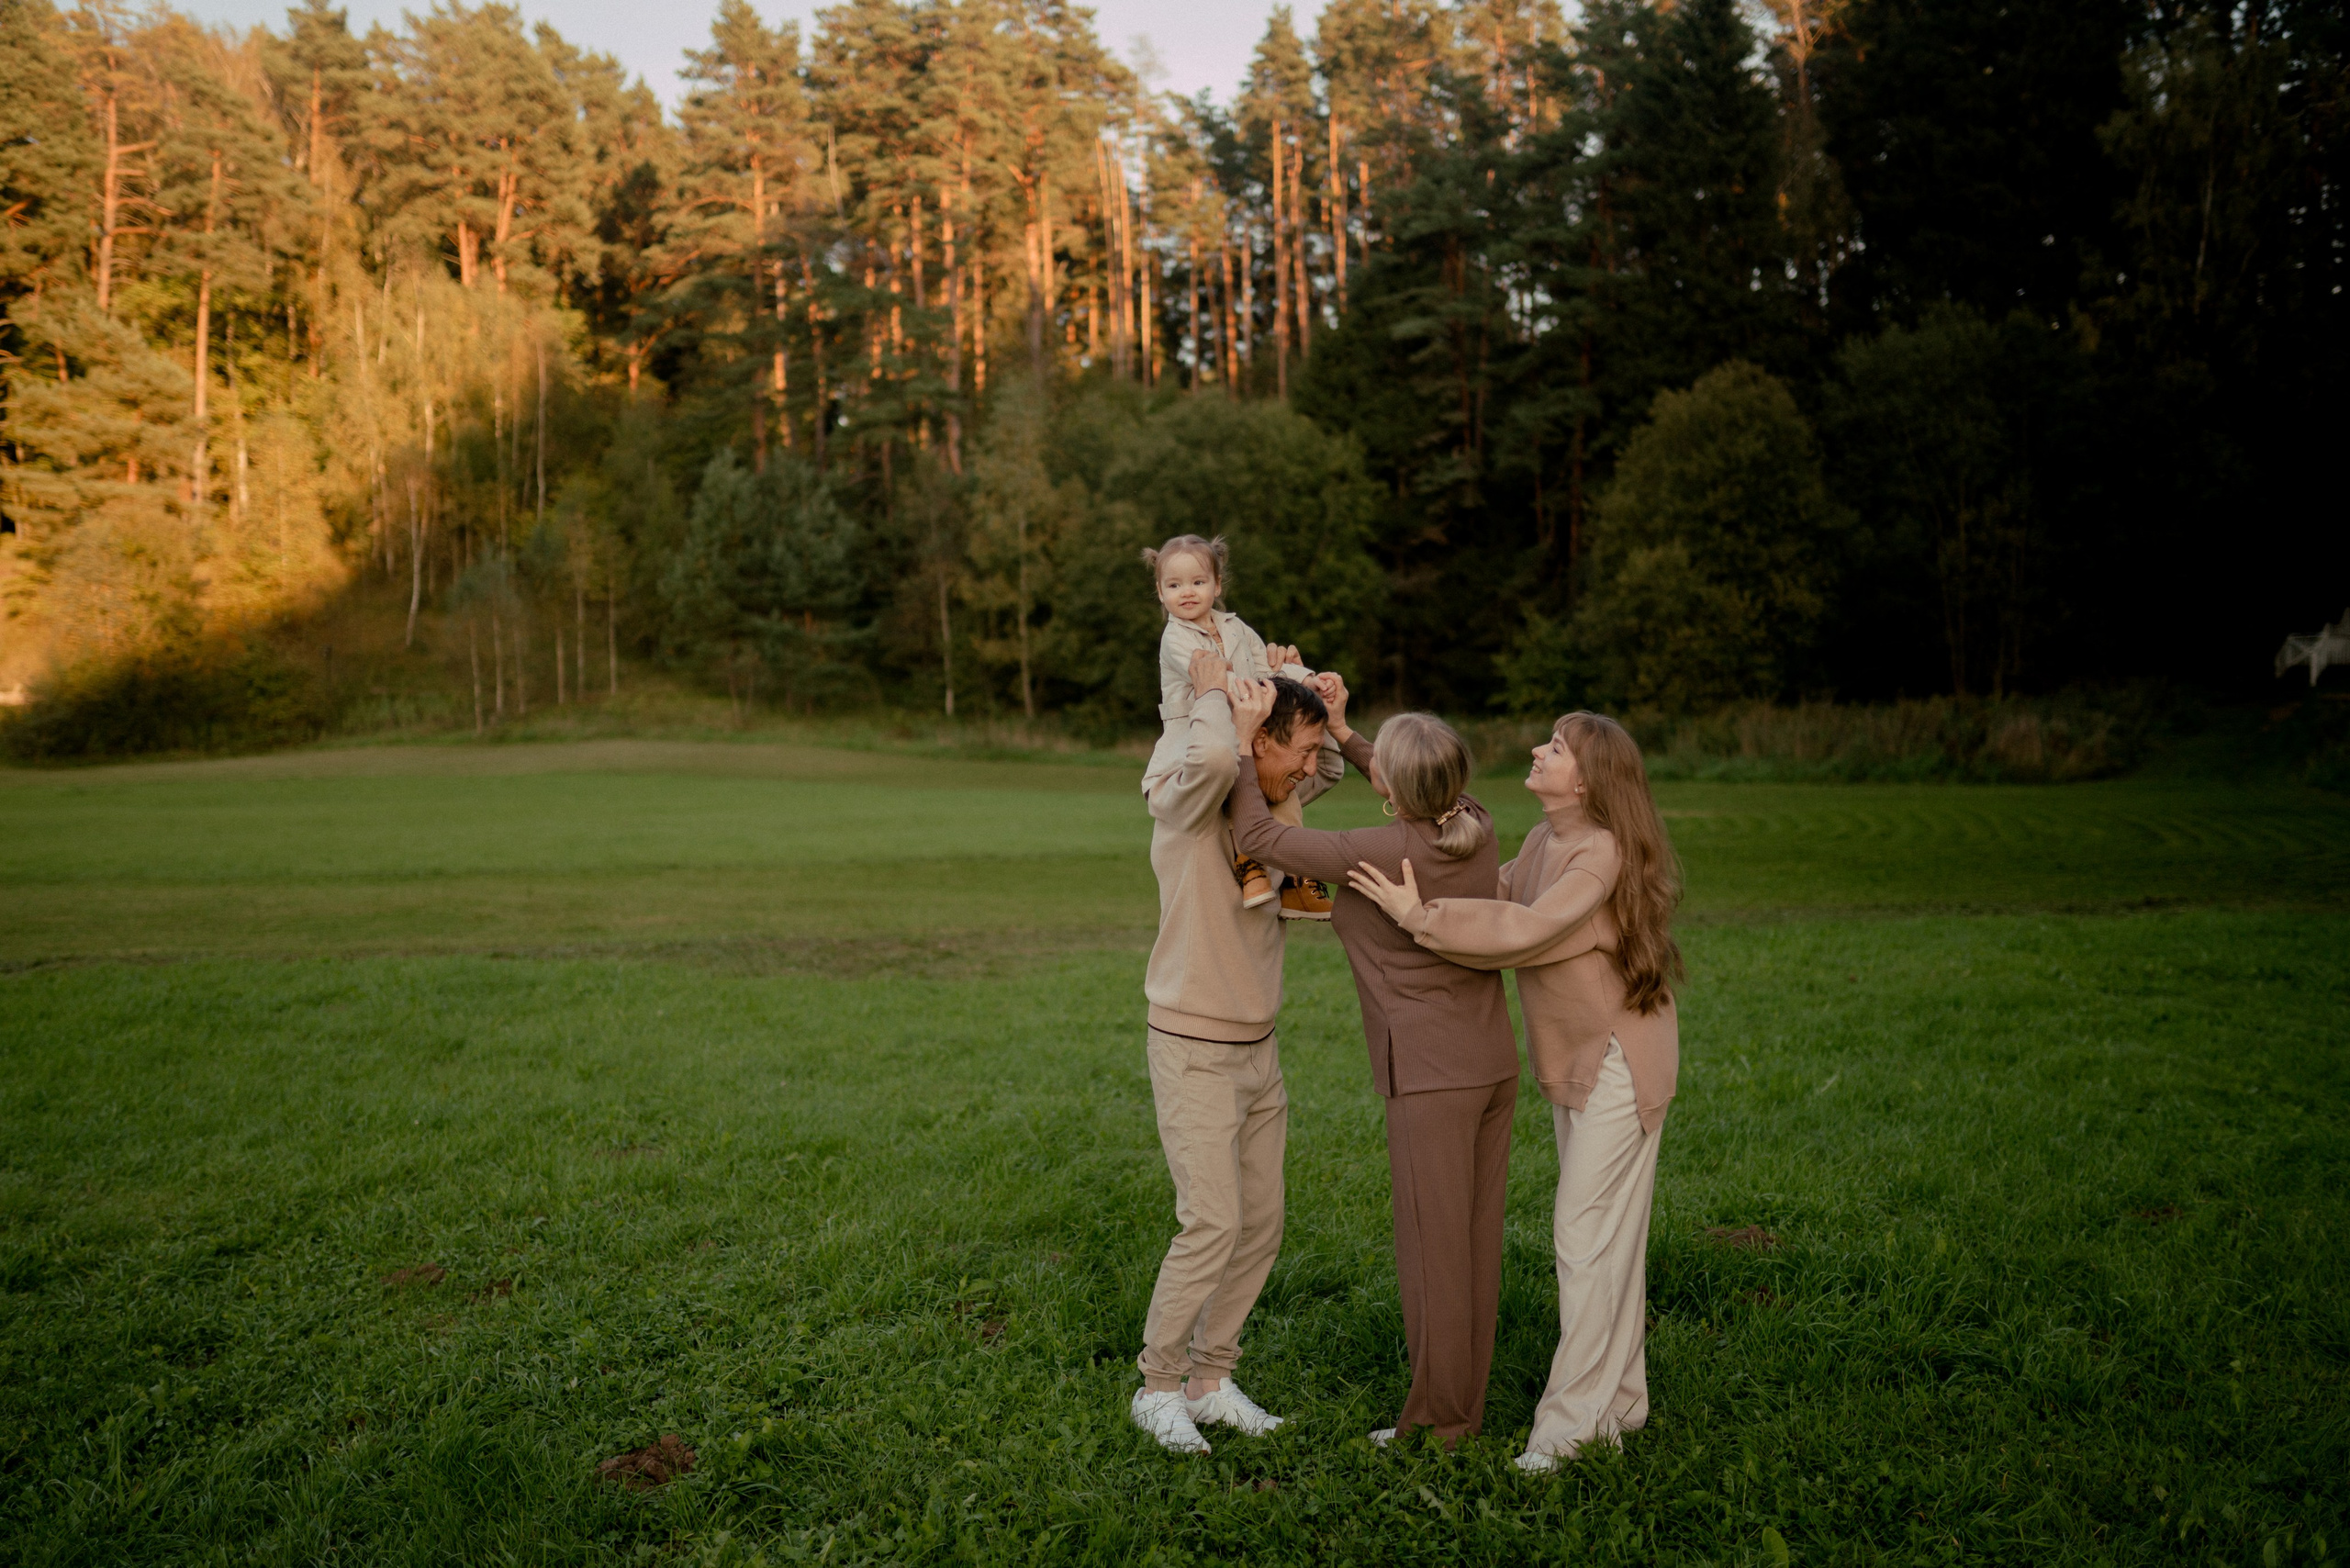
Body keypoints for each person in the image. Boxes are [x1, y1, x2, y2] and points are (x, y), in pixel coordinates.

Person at [1348, 711, 1683, 1473]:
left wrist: (1418, 918)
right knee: (1607, 1241)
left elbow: (1521, 928)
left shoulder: (1598, 854)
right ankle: (1623, 1400)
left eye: (1556, 749)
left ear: (1588, 781)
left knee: (1584, 1237)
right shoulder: (1543, 841)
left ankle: (1569, 1430)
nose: (1538, 751)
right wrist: (1346, 735)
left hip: (1620, 1062)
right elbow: (1483, 888)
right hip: (1578, 1064)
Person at [1226, 678, 1521, 1448]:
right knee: (1472, 1246)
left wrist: (1237, 738)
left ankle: (1441, 1425)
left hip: (1429, 1078)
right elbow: (1406, 781)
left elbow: (1259, 838)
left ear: (1394, 787)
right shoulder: (1476, 826)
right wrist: (1353, 733)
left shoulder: (1376, 849)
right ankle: (1461, 1408)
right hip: (1489, 1065)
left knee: (1433, 1253)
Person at [1128, 653, 1345, 1454]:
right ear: (1255, 741)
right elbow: (1217, 754)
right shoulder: (1192, 804)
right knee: (1211, 1222)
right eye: (1296, 751)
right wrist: (1227, 703)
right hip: (1193, 1048)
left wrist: (1318, 691)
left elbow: (1332, 765)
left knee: (1259, 1224)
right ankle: (1157, 1386)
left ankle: (1210, 1379)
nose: (1308, 767)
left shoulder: (1276, 799)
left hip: (1259, 1051)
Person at [1140, 533, 1333, 919]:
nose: (1187, 593)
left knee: (1281, 794)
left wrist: (1305, 678)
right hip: (1200, 731)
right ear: (1160, 593)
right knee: (1226, 777)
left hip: (1248, 720)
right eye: (1174, 585)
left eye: (1198, 582)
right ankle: (1250, 866)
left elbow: (1267, 668)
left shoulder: (1235, 627)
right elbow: (1214, 680)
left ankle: (1294, 875)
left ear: (1217, 585)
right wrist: (1258, 691)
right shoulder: (1175, 639)